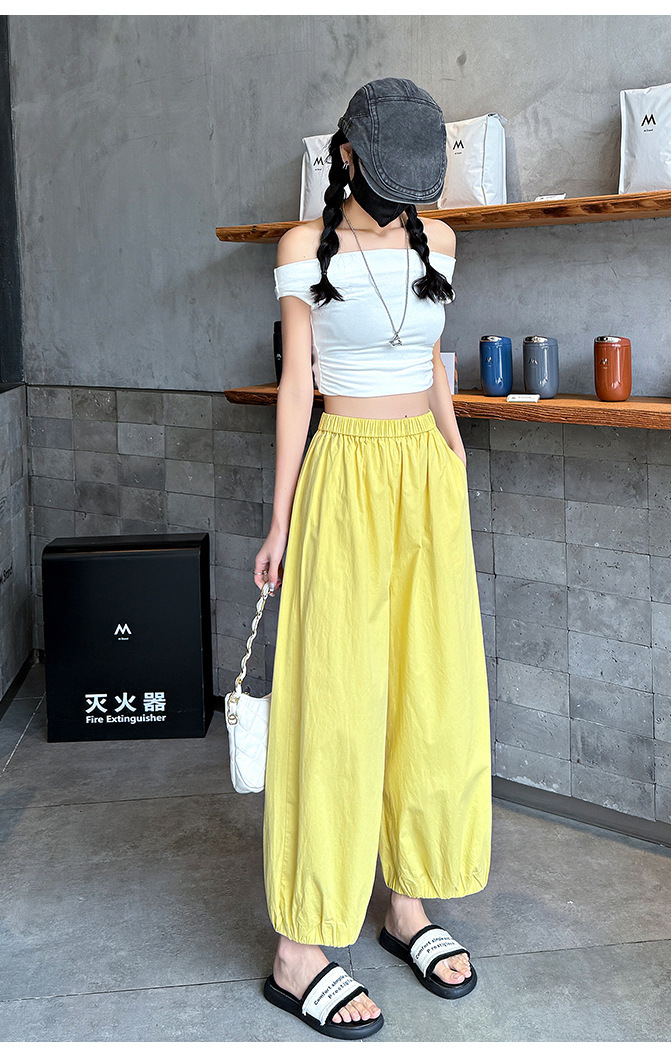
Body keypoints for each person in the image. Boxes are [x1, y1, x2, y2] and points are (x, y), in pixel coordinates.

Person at [252, 78, 492, 1040]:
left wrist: (453, 450)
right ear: (346, 156)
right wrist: (279, 522)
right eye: (388, 181)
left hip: (424, 481)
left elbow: (432, 359)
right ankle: (299, 948)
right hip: (344, 473)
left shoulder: (442, 243)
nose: (401, 202)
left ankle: (408, 903)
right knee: (337, 703)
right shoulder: (299, 249)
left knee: (430, 693)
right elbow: (296, 387)